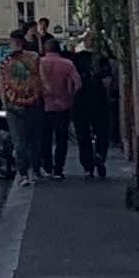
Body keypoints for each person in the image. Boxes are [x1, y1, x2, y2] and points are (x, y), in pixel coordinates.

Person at [0, 29, 47, 175]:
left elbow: (2, 85)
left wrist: (4, 103)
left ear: (12, 42)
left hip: (14, 104)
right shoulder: (34, 57)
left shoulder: (5, 61)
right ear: (23, 41)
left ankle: (23, 173)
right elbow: (42, 79)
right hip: (33, 102)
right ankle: (36, 169)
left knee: (19, 141)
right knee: (35, 139)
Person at [72, 45, 118, 180]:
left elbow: (72, 82)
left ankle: (87, 167)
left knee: (83, 135)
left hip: (80, 101)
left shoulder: (75, 61)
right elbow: (107, 81)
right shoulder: (102, 60)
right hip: (99, 100)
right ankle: (100, 155)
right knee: (102, 131)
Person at [38, 34, 81, 176]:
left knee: (45, 137)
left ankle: (47, 166)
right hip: (63, 105)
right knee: (62, 138)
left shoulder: (39, 63)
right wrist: (70, 95)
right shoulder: (68, 64)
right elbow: (78, 83)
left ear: (45, 50)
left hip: (44, 105)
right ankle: (58, 168)